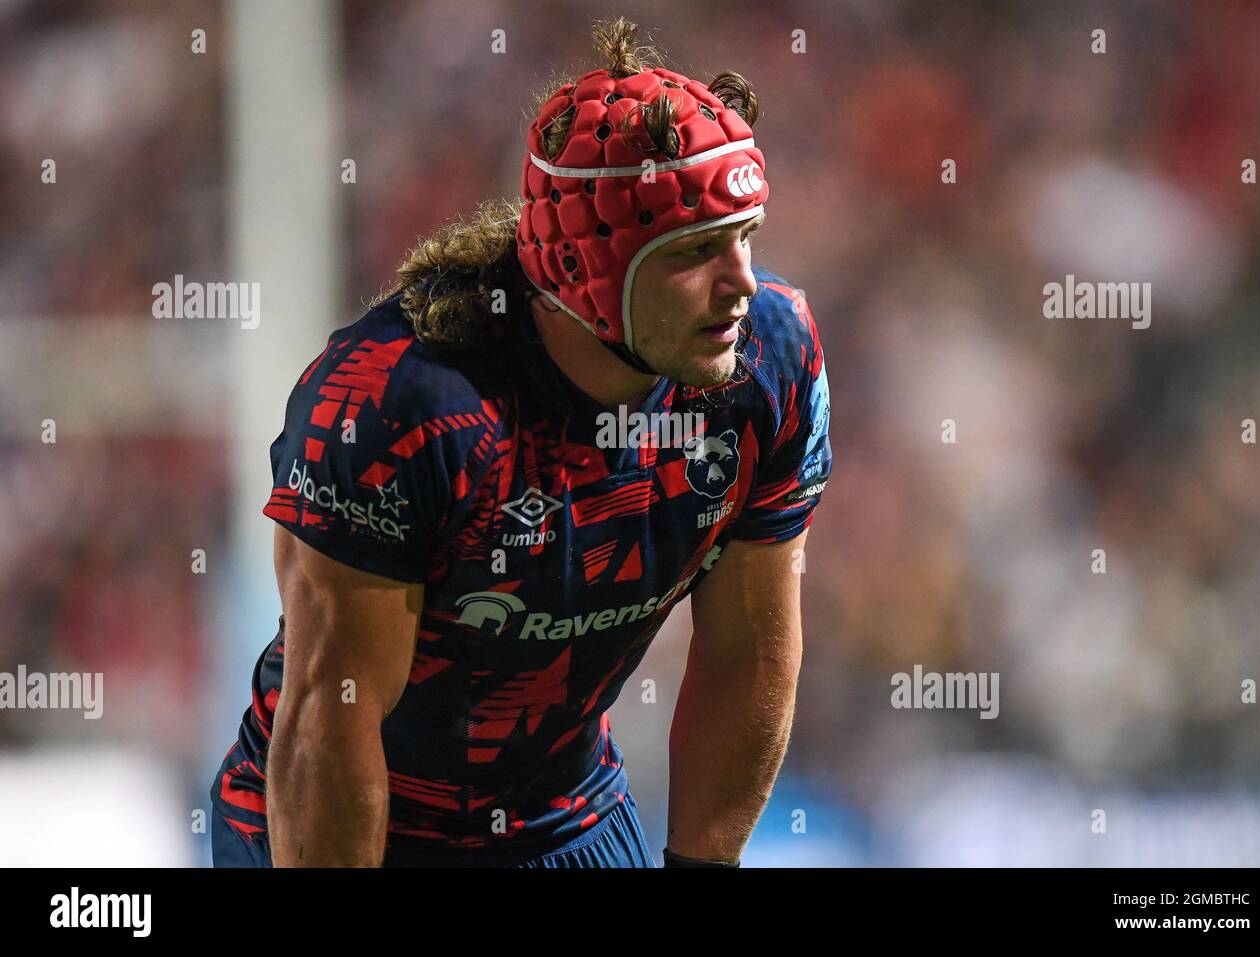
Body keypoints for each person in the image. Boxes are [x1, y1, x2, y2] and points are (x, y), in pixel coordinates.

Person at [209, 17, 831, 868]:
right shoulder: (397, 405)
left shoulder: (770, 360)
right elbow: (333, 712)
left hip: (559, 817)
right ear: (591, 269)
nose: (743, 284)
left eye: (745, 237)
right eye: (696, 252)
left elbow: (747, 651)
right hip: (346, 822)